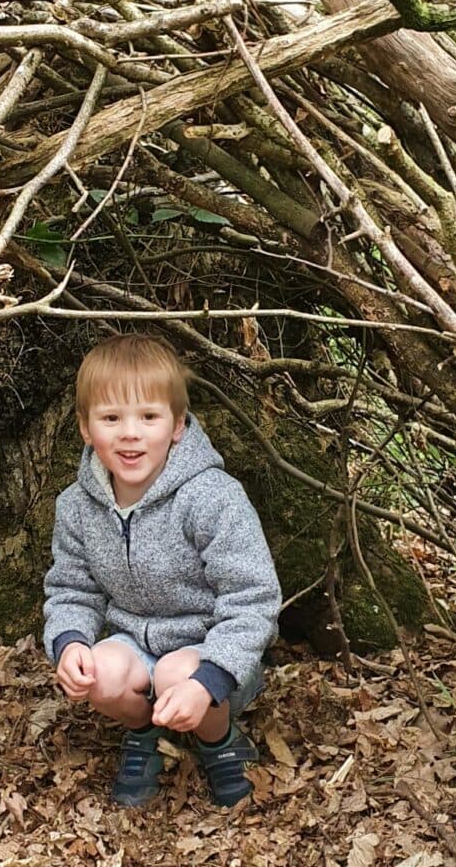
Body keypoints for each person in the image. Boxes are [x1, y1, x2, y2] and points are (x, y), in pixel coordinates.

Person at [43, 334, 282, 807]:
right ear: (86, 429)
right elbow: (72, 588)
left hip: (218, 658)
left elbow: (254, 597)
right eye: (111, 418)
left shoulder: (212, 496)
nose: (130, 434)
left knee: (177, 672)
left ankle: (220, 741)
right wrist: (70, 643)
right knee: (102, 673)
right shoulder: (77, 506)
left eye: (148, 417)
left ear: (176, 425)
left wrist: (211, 678)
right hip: (136, 645)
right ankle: (143, 732)